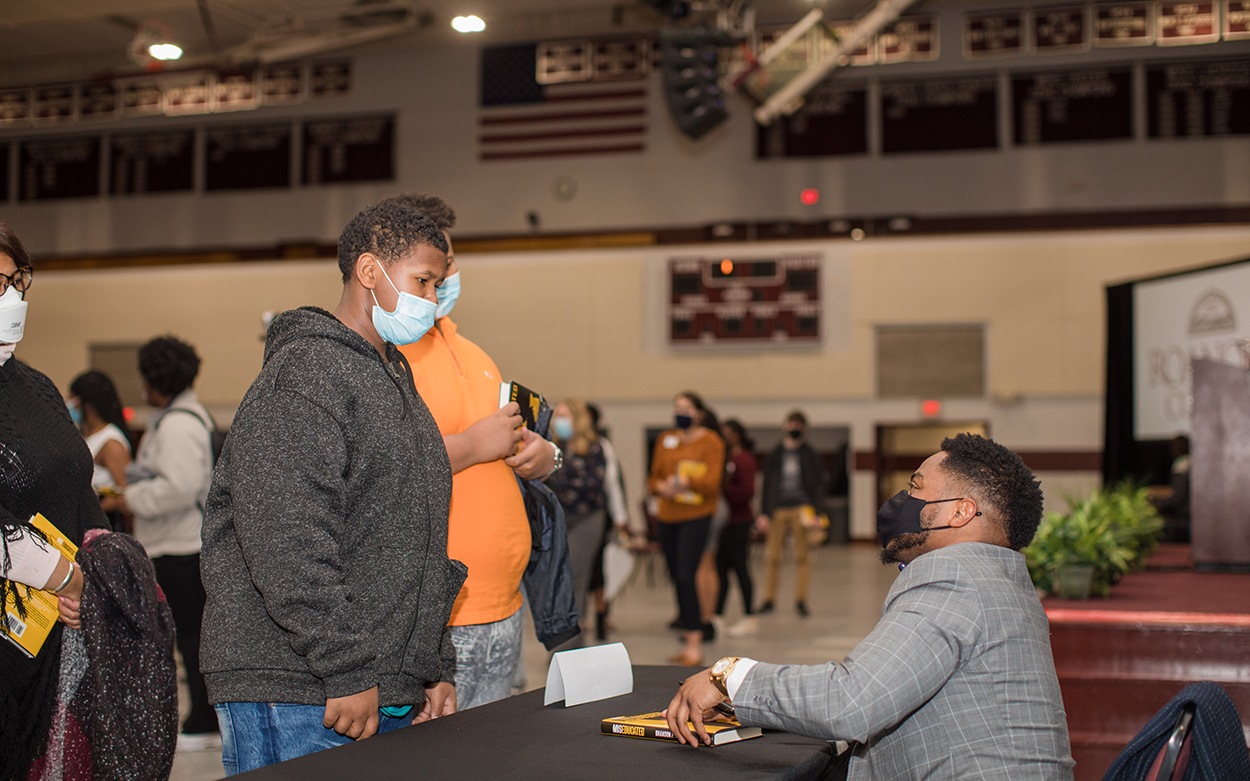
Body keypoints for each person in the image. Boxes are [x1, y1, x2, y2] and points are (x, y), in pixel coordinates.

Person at [200, 203, 465, 774]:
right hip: (302, 687)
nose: (433, 299)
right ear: (369, 271)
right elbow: (285, 537)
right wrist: (343, 666)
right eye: (423, 281)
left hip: (377, 682)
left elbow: (417, 541)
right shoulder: (306, 373)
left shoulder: (393, 379)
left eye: (438, 285)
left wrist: (430, 666)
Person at [667, 433, 1075, 781]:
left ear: (960, 511)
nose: (901, 500)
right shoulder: (999, 579)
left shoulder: (954, 577)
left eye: (915, 487)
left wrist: (730, 678)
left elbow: (853, 702)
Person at [0, 220, 177, 780]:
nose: (8, 298)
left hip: (57, 638)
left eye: (12, 283)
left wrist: (99, 576)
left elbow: (78, 486)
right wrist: (66, 579)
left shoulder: (34, 386)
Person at [385, 193, 559, 710]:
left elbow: (508, 441)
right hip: (436, 617)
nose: (446, 278)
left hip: (503, 606)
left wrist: (543, 455)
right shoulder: (384, 355)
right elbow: (380, 465)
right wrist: (473, 444)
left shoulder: (474, 352)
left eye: (451, 264)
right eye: (432, 272)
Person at [113, 336, 219, 750]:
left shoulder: (178, 425)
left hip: (180, 546)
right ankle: (201, 714)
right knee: (190, 636)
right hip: (177, 543)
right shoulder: (180, 417)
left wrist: (131, 498)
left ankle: (203, 718)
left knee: (191, 637)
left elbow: (179, 487)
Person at [648, 391, 725, 667]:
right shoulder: (666, 439)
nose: (681, 412)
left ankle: (695, 641)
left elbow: (712, 481)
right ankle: (687, 632)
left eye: (687, 407)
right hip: (668, 514)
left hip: (697, 514)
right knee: (675, 575)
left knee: (686, 574)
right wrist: (661, 487)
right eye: (677, 407)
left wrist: (687, 482)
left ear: (699, 413)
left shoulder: (711, 441)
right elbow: (653, 477)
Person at [545, 399, 608, 640]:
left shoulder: (594, 447)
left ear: (578, 419)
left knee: (574, 576)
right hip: (559, 519)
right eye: (557, 416)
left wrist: (555, 482)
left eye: (565, 416)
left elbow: (591, 486)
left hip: (586, 519)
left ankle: (570, 641)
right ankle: (564, 637)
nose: (559, 421)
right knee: (558, 577)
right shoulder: (551, 447)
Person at [758, 410, 824, 618]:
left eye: (798, 425)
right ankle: (769, 599)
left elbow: (818, 485)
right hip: (777, 508)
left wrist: (818, 513)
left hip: (801, 508)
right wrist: (764, 513)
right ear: (785, 426)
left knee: (803, 556)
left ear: (804, 428)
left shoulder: (809, 453)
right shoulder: (776, 453)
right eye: (791, 424)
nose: (794, 428)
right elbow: (767, 484)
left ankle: (801, 600)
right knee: (773, 556)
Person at [67, 370, 133, 532]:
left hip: (104, 526)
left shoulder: (111, 441)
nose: (69, 405)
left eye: (73, 400)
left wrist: (92, 511)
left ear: (87, 403)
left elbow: (125, 494)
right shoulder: (83, 436)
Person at [715, 419, 758, 637]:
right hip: (721, 523)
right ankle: (717, 615)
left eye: (728, 433)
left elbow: (747, 492)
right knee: (720, 570)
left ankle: (749, 615)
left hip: (739, 522)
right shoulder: (722, 458)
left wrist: (724, 489)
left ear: (738, 435)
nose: (725, 436)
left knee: (741, 568)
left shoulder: (745, 459)